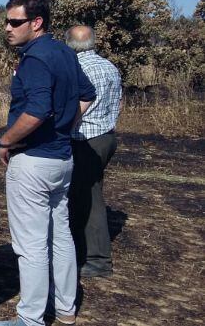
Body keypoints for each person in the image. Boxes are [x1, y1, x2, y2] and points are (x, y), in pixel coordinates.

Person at [0, 0, 95, 326]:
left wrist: (5, 141)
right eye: (6, 20)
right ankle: (65, 308)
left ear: (37, 23)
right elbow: (87, 95)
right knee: (60, 235)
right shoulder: (64, 51)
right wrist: (65, 127)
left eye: (15, 22)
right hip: (61, 160)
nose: (7, 27)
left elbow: (36, 111)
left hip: (33, 161)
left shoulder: (34, 58)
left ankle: (30, 318)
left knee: (30, 244)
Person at [65, 25, 122, 278]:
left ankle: (98, 260)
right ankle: (81, 250)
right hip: (107, 136)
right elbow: (119, 101)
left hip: (86, 139)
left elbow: (73, 108)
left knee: (89, 196)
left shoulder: (77, 68)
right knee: (83, 193)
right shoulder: (109, 66)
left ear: (69, 44)